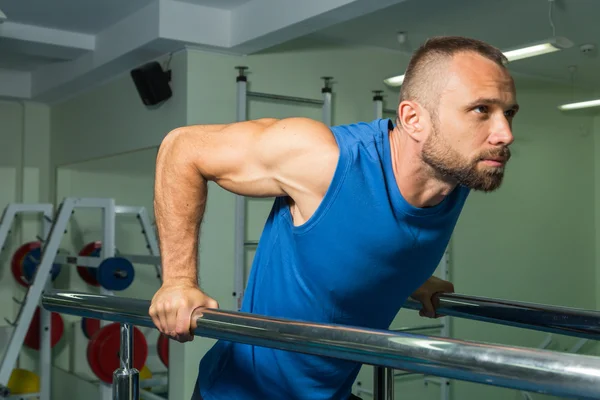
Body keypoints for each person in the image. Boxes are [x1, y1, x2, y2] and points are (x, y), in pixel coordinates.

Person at [149, 35, 519, 400]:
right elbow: (183, 148)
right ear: (413, 118)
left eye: (509, 113)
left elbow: (367, 235)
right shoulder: (323, 159)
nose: (505, 134)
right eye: (481, 110)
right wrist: (178, 281)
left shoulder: (457, 177)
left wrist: (406, 277)